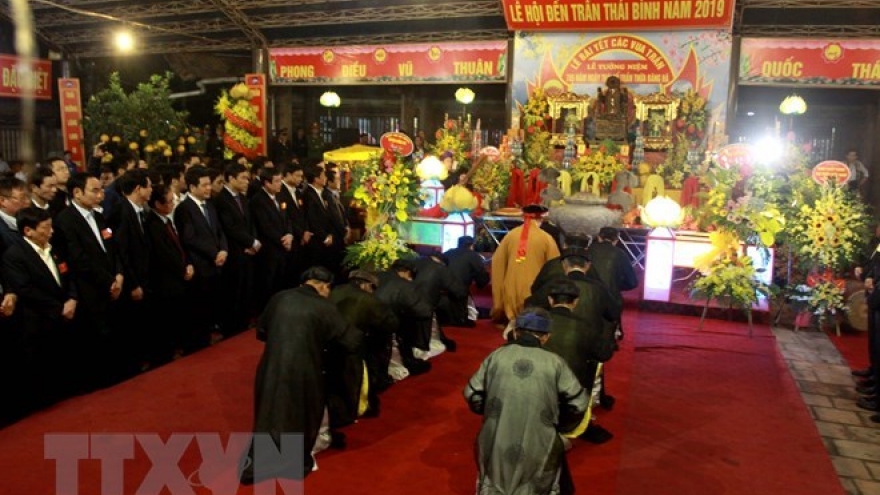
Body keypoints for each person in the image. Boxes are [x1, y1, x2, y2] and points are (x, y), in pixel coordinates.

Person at [241, 266, 360, 484]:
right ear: (324, 287)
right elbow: (350, 341)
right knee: (300, 414)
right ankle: (290, 460)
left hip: (270, 366)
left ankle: (262, 459)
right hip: (305, 369)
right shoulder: (324, 306)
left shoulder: (279, 298)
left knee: (270, 411)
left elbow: (262, 331)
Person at [464, 308, 587, 495]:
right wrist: (558, 427)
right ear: (546, 336)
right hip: (539, 441)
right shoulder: (555, 362)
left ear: (516, 332)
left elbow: (471, 392)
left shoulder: (496, 356)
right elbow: (579, 403)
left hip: (496, 437)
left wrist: (490, 412)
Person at [328, 269, 398, 422]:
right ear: (366, 285)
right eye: (373, 289)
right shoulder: (370, 301)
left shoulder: (333, 291)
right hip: (350, 352)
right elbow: (391, 325)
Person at [491, 204, 560, 322]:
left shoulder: (511, 235)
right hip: (534, 290)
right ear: (541, 219)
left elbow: (498, 261)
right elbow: (554, 266)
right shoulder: (546, 238)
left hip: (511, 287)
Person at [440, 235, 489, 327]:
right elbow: (481, 276)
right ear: (471, 245)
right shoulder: (473, 256)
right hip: (459, 290)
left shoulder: (447, 253)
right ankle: (460, 319)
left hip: (441, 289)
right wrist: (482, 282)